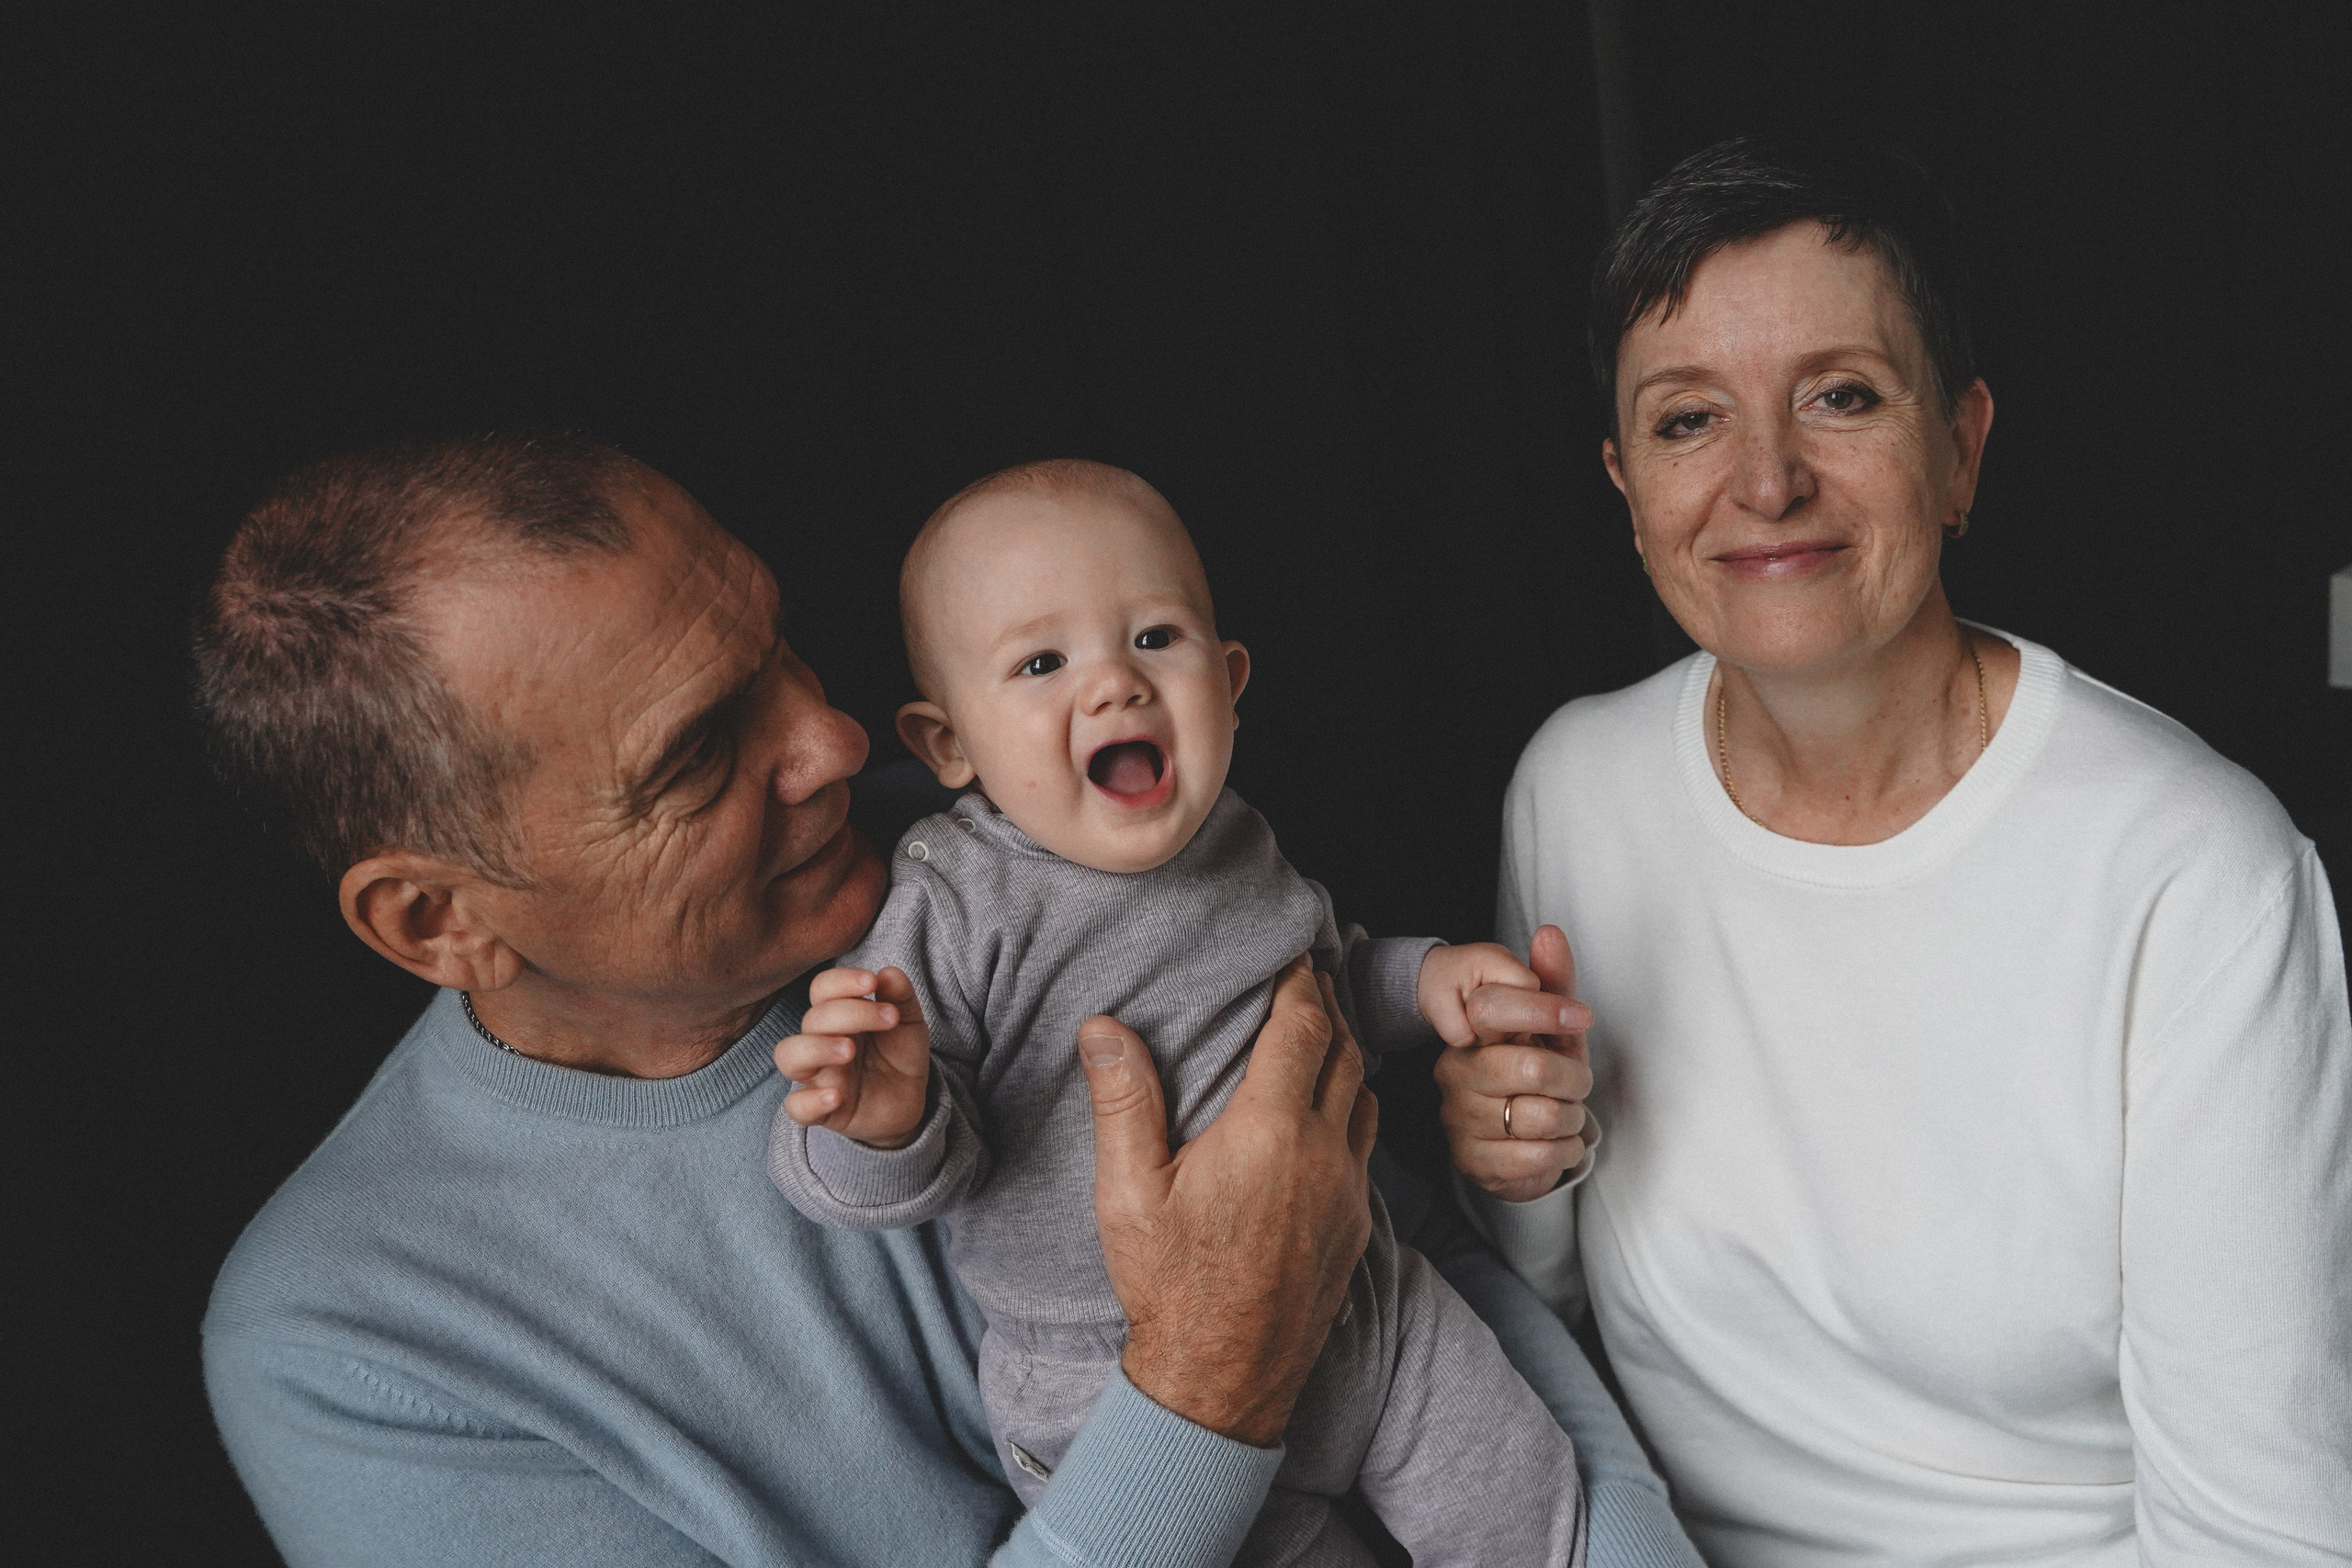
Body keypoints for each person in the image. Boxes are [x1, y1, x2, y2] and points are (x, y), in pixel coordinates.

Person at [195, 434, 1702, 1566]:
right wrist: (1203, 1382)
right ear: (437, 918)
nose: (833, 740)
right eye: (700, 752)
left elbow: (1409, 1250)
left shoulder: (1004, 847)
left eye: (778, 647)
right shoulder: (356, 1348)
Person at [1438, 138, 2352, 1565]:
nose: (1765, 480)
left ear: (1960, 448)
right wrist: (1517, 1163)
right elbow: (1542, 1317)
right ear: (1625, 485)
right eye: (1689, 420)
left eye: (1842, 395)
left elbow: (2262, 1533)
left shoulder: (2198, 873)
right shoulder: (1578, 785)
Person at [769, 460, 1586, 1566]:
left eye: (1155, 638)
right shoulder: (952, 904)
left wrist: (1431, 984)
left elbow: (1323, 984)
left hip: (1365, 1303)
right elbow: (887, 1180)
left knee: (1535, 1512)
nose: (1115, 685)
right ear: (947, 745)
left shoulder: (1235, 835)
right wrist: (881, 1119)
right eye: (1043, 663)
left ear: (1230, 682)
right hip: (1115, 1389)